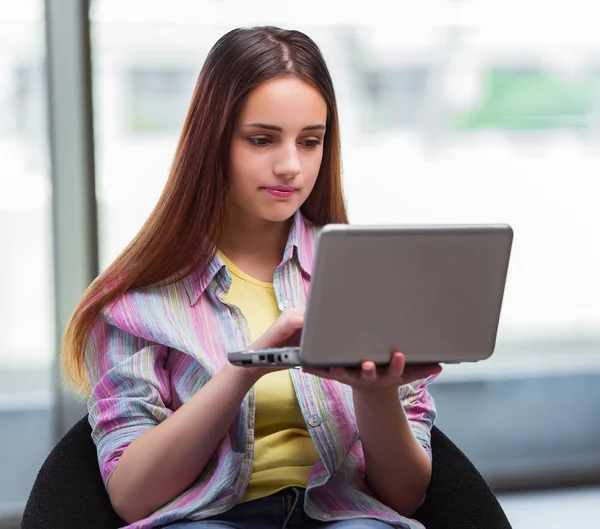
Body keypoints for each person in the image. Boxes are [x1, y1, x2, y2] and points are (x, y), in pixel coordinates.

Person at [62, 26, 442, 529]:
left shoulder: (370, 278)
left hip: (343, 516)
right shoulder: (140, 300)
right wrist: (247, 367)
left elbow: (405, 497)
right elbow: (132, 498)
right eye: (262, 140)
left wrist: (375, 390)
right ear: (212, 142)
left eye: (310, 142)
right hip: (205, 518)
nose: (290, 166)